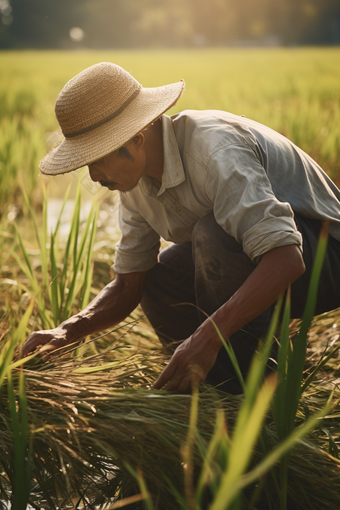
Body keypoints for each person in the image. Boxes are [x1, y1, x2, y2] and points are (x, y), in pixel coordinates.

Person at [22, 62, 340, 394]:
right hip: (262, 261)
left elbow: (287, 258)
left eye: (97, 159)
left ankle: (255, 388)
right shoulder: (133, 185)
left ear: (136, 139)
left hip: (325, 257)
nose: (94, 176)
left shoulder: (215, 151)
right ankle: (204, 381)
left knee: (211, 236)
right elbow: (128, 284)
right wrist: (67, 331)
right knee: (157, 277)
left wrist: (206, 337)